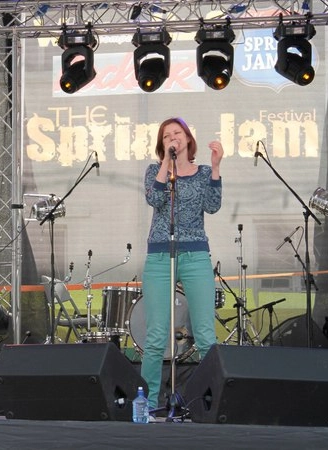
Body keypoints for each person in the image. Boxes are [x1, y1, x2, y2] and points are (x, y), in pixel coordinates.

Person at [140, 117, 223, 413]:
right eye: (166, 136)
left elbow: (212, 206)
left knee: (205, 334)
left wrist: (216, 168)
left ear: (188, 138)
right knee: (155, 335)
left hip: (195, 254)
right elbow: (154, 199)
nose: (172, 138)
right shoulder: (155, 171)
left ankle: (212, 402)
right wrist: (166, 162)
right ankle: (148, 404)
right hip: (160, 255)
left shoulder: (203, 173)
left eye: (177, 133)